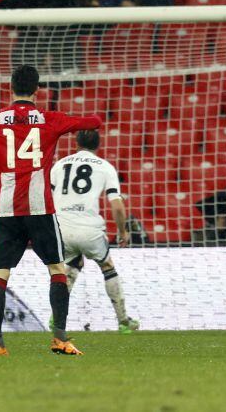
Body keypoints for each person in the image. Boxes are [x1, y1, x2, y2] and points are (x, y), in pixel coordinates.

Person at [0, 65, 102, 356]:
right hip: (39, 208)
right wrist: (82, 119)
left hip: (7, 208)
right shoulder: (51, 119)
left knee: (0, 274)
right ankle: (60, 338)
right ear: (37, 90)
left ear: (10, 87)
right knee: (57, 270)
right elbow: (95, 121)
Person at [50, 130, 139, 334]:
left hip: (62, 227)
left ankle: (56, 318)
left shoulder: (60, 164)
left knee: (71, 266)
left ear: (76, 143)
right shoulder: (105, 167)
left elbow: (47, 196)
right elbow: (116, 206)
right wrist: (123, 231)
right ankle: (124, 321)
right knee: (107, 267)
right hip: (89, 229)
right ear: (98, 145)